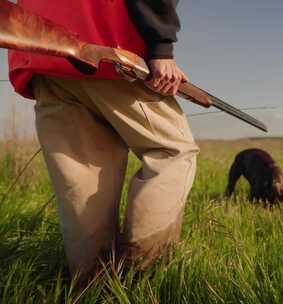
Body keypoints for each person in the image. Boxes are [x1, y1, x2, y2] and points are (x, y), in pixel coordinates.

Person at [8, 0, 199, 282]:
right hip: (112, 50)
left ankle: (93, 285)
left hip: (41, 55)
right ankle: (140, 273)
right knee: (172, 152)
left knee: (84, 176)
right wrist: (161, 49)